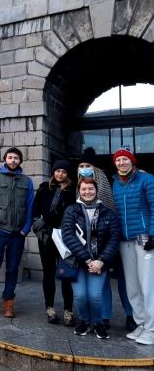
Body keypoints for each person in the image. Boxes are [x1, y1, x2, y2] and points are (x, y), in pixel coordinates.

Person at [77, 147, 135, 331]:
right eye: (81, 165)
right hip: (94, 247)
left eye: (87, 165)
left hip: (115, 239)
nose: (84, 168)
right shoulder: (81, 186)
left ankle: (131, 315)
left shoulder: (106, 181)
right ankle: (104, 316)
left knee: (125, 280)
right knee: (102, 282)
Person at [0, 147, 34, 318]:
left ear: (20, 161)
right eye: (10, 157)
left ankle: (8, 303)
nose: (13, 160)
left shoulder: (27, 181)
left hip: (18, 233)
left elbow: (30, 206)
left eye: (16, 158)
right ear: (5, 159)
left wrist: (26, 230)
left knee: (12, 269)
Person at [62, 178, 120, 340]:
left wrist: (100, 261)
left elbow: (114, 238)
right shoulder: (72, 210)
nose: (87, 192)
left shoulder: (108, 213)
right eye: (84, 189)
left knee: (95, 295)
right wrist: (87, 260)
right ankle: (84, 321)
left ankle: (97, 322)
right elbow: (68, 236)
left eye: (91, 189)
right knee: (80, 296)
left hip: (99, 263)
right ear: (79, 191)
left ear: (96, 190)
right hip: (78, 262)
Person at [112, 147, 154, 345]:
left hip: (144, 238)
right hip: (124, 240)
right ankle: (141, 324)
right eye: (118, 160)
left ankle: (152, 328)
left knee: (148, 285)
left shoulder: (146, 179)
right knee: (132, 286)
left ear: (132, 161)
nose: (121, 162)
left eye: (125, 159)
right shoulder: (115, 184)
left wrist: (153, 233)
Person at [32, 160, 75, 326]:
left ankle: (68, 311)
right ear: (53, 172)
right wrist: (38, 227)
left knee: (66, 274)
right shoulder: (44, 187)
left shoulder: (73, 190)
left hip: (65, 237)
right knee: (48, 273)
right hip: (47, 236)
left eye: (64, 171)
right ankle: (49, 308)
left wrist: (46, 219)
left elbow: (66, 213)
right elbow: (35, 209)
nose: (60, 174)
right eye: (58, 171)